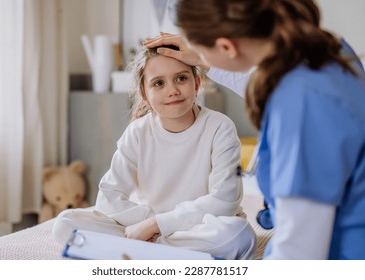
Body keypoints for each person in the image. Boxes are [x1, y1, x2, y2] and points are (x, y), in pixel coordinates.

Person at [144, 0, 365, 260]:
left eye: (198, 48)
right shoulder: (326, 49)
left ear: (227, 46)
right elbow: (269, 80)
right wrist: (207, 59)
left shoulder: (301, 103)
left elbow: (299, 248)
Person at [52, 45, 256, 260]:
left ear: (196, 84)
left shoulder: (220, 126)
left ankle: (144, 253)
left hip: (198, 226)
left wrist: (157, 224)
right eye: (159, 83)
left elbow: (225, 200)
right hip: (145, 227)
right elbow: (109, 196)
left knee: (239, 235)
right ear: (144, 94)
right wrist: (149, 223)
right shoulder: (138, 131)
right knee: (66, 223)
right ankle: (168, 254)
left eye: (181, 78)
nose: (172, 90)